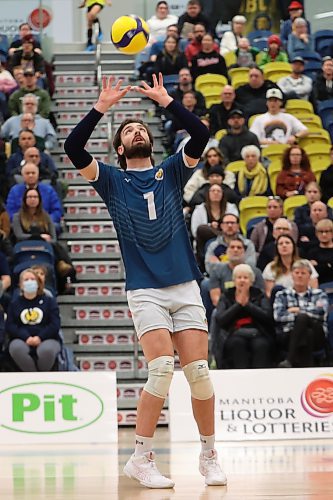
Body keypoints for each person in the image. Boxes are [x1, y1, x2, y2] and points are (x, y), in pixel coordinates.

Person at [64, 73, 226, 488]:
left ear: (149, 140)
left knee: (200, 374)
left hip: (185, 285)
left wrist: (168, 100)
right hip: (145, 289)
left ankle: (209, 455)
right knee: (159, 370)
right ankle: (141, 456)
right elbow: (72, 147)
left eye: (141, 128)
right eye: (128, 130)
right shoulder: (111, 181)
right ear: (120, 148)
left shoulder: (171, 171)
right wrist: (102, 107)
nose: (137, 130)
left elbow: (201, 132)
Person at [214, 263, 273, 369]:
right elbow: (221, 319)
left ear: (251, 281)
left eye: (245, 278)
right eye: (239, 277)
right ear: (234, 281)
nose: (242, 280)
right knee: (237, 343)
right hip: (233, 333)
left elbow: (267, 317)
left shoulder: (259, 294)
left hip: (258, 332)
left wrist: (248, 305)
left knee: (261, 345)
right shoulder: (226, 296)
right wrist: (238, 305)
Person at [273, 259, 328, 368]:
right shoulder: (282, 294)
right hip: (289, 333)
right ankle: (307, 369)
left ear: (309, 277)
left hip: (318, 332)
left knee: (303, 318)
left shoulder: (319, 294)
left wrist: (297, 310)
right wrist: (307, 311)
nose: (300, 276)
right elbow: (278, 316)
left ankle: (289, 359)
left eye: (303, 273)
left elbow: (321, 313)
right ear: (292, 275)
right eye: (297, 273)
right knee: (307, 333)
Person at [6, 268, 61, 371]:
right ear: (21, 285)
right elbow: (11, 325)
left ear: (37, 283)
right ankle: (33, 377)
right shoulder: (14, 303)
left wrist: (40, 337)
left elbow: (55, 324)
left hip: (47, 338)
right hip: (22, 339)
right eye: (26, 280)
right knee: (16, 349)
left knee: (46, 350)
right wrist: (26, 337)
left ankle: (41, 376)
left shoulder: (49, 301)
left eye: (32, 279)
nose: (29, 282)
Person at [191, 183, 238, 270]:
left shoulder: (231, 207)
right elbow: (195, 231)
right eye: (213, 191)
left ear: (223, 194)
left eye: (218, 191)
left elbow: (234, 225)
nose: (216, 193)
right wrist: (210, 227)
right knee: (202, 229)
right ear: (208, 194)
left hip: (228, 238)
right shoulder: (199, 209)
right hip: (204, 240)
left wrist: (220, 229)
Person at [263, 233, 318, 298]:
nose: (284, 245)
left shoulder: (306, 264)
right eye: (280, 244)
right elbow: (269, 293)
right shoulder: (270, 267)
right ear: (277, 248)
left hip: (304, 300)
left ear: (293, 247)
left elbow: (314, 288)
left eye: (287, 243)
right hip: (279, 302)